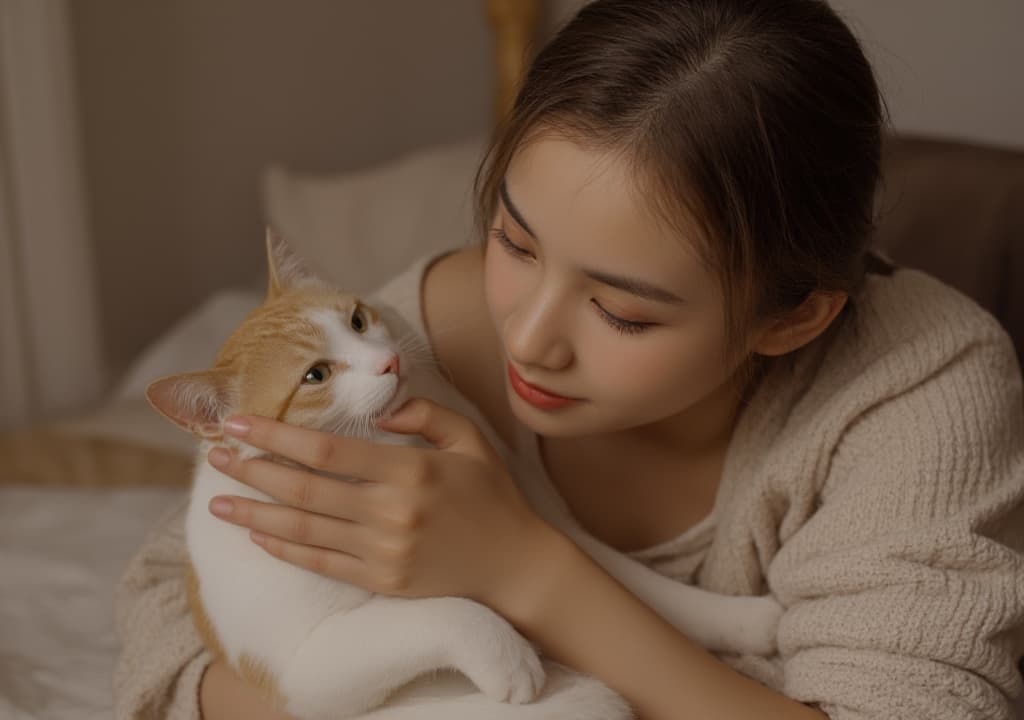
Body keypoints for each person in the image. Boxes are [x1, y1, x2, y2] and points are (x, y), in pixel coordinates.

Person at [113, 0, 1024, 718]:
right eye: (513, 241)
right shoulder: (422, 324)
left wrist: (526, 571)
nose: (527, 334)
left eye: (621, 311)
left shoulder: (921, 385)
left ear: (788, 320)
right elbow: (166, 607)